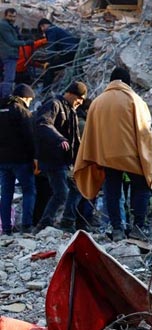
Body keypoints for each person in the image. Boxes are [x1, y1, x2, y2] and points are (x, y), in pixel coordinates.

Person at [74, 67, 152, 242]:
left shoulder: (97, 102)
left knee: (112, 191)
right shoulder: (135, 100)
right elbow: (144, 131)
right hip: (131, 155)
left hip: (107, 156)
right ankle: (138, 228)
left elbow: (90, 133)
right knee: (140, 187)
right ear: (127, 82)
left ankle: (117, 229)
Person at [34, 81, 87, 233]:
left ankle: (67, 221)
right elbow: (43, 123)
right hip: (53, 159)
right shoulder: (54, 104)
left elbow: (75, 141)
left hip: (64, 162)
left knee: (77, 188)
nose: (80, 102)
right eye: (80, 98)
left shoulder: (71, 111)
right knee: (61, 193)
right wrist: (59, 139)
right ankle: (44, 225)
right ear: (71, 94)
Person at [0, 84, 36, 235]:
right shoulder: (22, 111)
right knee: (29, 191)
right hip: (21, 160)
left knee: (6, 193)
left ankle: (6, 228)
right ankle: (27, 226)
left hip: (2, 161)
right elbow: (30, 137)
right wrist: (35, 157)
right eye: (30, 100)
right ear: (25, 97)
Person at [37, 18, 80, 89]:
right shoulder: (57, 29)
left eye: (42, 30)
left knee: (50, 68)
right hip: (73, 51)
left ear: (43, 26)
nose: (43, 33)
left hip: (68, 52)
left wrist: (48, 61)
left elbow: (51, 47)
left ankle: (44, 90)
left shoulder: (50, 30)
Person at [0, 9, 32, 99]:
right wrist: (25, 42)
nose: (12, 18)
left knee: (6, 78)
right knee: (9, 78)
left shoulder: (8, 25)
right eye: (10, 16)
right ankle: (5, 98)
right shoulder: (3, 25)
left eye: (14, 16)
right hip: (8, 55)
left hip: (7, 54)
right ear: (5, 16)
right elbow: (11, 42)